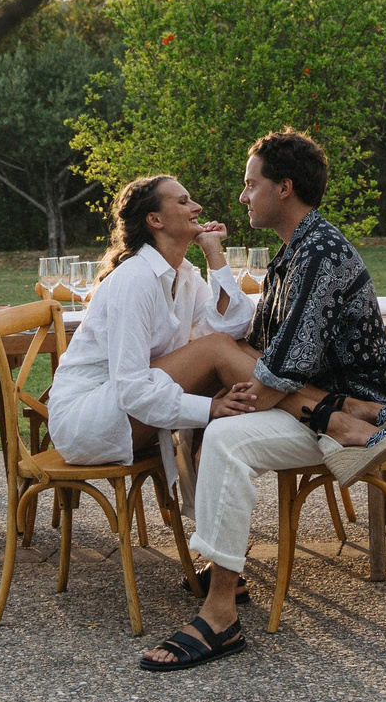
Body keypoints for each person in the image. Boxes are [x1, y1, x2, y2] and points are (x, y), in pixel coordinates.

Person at [141, 129, 386, 672]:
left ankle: (219, 614)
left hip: (337, 399)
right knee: (212, 400)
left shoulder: (318, 252)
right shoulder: (296, 251)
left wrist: (245, 384)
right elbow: (258, 340)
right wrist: (241, 377)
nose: (243, 196)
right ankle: (349, 423)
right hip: (323, 403)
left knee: (222, 431)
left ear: (284, 188)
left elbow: (282, 368)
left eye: (251, 185)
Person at [47, 174, 262, 500]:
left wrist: (213, 253)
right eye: (183, 201)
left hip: (130, 407)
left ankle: (322, 410)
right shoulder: (135, 280)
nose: (197, 207)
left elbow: (232, 326)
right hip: (87, 422)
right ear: (155, 220)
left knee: (239, 347)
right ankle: (322, 416)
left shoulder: (184, 275)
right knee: (219, 351)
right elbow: (132, 388)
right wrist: (209, 409)